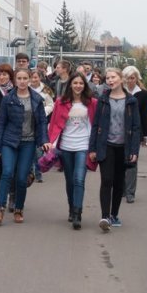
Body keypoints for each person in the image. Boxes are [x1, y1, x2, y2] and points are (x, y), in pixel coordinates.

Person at [0, 68, 49, 224]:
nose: (22, 81)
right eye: (19, 78)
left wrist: (44, 140)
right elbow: (1, 123)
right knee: (7, 172)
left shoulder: (36, 99)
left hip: (28, 143)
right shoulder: (8, 98)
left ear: (29, 79)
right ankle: (0, 208)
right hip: (9, 141)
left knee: (22, 178)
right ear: (15, 80)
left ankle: (18, 209)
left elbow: (42, 122)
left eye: (25, 78)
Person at [88, 68, 140, 232]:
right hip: (106, 145)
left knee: (119, 182)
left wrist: (134, 150)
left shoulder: (131, 101)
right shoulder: (103, 100)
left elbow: (136, 127)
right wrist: (93, 148)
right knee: (107, 180)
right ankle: (105, 216)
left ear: (121, 79)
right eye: (108, 78)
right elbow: (95, 125)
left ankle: (114, 214)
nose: (110, 80)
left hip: (124, 147)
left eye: (113, 77)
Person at [47, 72, 96, 229]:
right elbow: (54, 123)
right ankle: (71, 207)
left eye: (81, 83)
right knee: (69, 180)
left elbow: (96, 124)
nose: (78, 86)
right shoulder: (61, 102)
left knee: (79, 179)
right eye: (75, 83)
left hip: (83, 146)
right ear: (70, 85)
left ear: (85, 85)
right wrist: (50, 143)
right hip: (66, 146)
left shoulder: (92, 103)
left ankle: (77, 214)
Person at [122, 66, 147, 204]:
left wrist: (145, 136)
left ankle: (130, 192)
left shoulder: (142, 94)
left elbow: (144, 115)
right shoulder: (119, 92)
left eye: (132, 78)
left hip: (135, 132)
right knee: (120, 161)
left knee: (132, 161)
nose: (130, 81)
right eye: (127, 78)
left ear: (137, 79)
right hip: (120, 131)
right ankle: (121, 189)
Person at [29, 68, 55, 182]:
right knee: (29, 149)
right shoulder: (26, 88)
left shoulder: (46, 90)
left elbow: (51, 104)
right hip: (28, 121)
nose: (33, 79)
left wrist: (43, 111)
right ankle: (29, 173)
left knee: (39, 150)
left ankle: (39, 172)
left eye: (36, 77)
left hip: (40, 121)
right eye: (32, 77)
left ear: (40, 78)